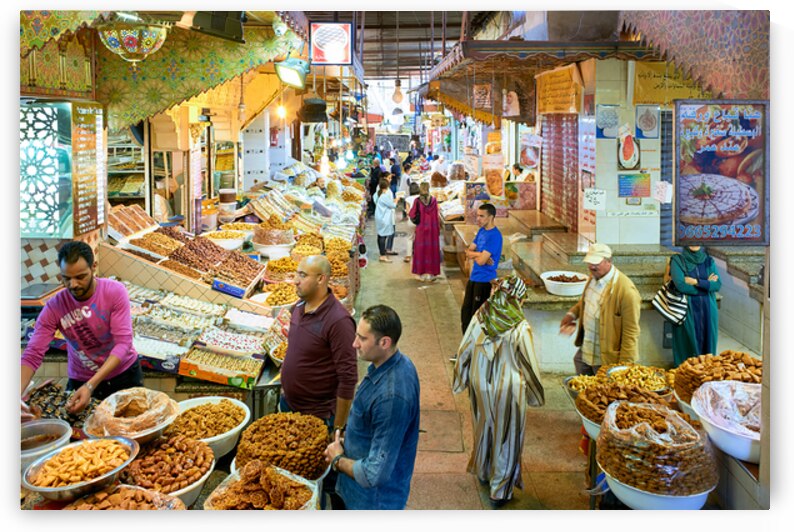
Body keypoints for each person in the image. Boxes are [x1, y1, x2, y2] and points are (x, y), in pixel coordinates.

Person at [20, 241, 143, 420]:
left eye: (80, 277)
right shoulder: (55, 306)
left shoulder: (114, 292)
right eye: (66, 278)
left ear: (94, 267)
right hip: (81, 379)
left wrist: (91, 386)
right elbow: (33, 353)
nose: (73, 284)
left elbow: (123, 344)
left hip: (123, 375)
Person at [453, 275, 544, 506]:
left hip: (479, 383)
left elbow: (464, 349)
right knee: (507, 436)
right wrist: (535, 395)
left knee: (483, 427)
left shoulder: (480, 316)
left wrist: (461, 379)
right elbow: (529, 365)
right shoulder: (520, 327)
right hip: (508, 389)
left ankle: (483, 471)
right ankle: (499, 489)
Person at [324, 305, 420, 510]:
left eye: (362, 338)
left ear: (385, 342)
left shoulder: (391, 398)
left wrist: (337, 460)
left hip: (372, 502)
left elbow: (374, 474)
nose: (354, 343)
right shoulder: (399, 363)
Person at [280, 255, 358, 431]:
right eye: (296, 274)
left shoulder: (338, 321)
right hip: (289, 405)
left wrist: (337, 428)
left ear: (321, 279)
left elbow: (348, 377)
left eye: (302, 275)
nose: (295, 281)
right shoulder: (299, 306)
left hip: (318, 417)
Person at [559, 243, 642, 375]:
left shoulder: (626, 292)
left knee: (604, 394)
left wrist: (624, 367)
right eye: (589, 262)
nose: (591, 266)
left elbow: (631, 332)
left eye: (596, 263)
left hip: (606, 358)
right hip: (587, 350)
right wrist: (572, 314)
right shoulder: (594, 278)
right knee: (583, 391)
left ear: (608, 261)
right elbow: (586, 301)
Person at [452, 204, 503, 362]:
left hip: (484, 282)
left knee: (477, 320)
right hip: (473, 279)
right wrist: (478, 254)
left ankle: (475, 354)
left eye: (482, 216)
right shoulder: (481, 232)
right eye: (478, 215)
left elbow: (481, 261)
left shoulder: (495, 236)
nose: (478, 219)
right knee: (465, 315)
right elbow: (469, 251)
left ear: (491, 217)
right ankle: (467, 349)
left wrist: (477, 256)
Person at [669, 246, 721, 367]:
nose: (694, 242)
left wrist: (696, 282)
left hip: (708, 309)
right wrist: (706, 285)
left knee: (709, 347)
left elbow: (717, 285)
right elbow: (681, 285)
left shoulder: (708, 261)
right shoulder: (678, 260)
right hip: (688, 310)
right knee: (688, 347)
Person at [409, 182, 441, 281]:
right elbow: (436, 215)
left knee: (420, 251)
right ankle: (432, 274)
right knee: (432, 251)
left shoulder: (417, 201)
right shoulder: (434, 200)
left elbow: (412, 214)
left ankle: (420, 274)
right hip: (433, 229)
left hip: (421, 230)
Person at [374, 177, 399, 262]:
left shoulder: (378, 194)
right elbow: (393, 205)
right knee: (383, 236)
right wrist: (397, 199)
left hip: (380, 217)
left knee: (380, 235)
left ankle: (382, 253)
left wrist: (393, 201)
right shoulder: (384, 196)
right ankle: (382, 255)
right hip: (383, 218)